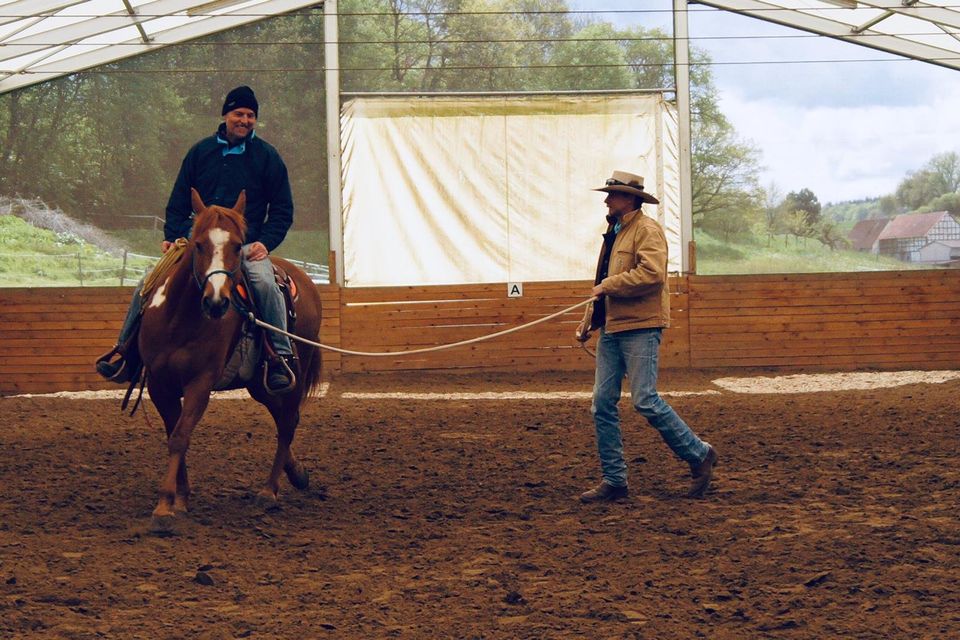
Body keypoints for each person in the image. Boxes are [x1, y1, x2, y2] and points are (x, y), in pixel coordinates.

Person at [96, 85, 297, 394]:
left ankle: (278, 357)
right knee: (148, 282)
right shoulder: (200, 152)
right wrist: (173, 236)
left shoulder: (267, 157)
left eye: (251, 115)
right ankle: (126, 352)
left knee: (266, 284)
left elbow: (282, 208)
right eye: (238, 113)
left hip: (242, 247)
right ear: (225, 115)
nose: (244, 120)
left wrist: (265, 243)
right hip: (199, 247)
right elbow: (178, 199)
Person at [576, 170, 718, 502]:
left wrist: (608, 287)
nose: (607, 199)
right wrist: (589, 322)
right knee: (602, 405)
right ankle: (615, 480)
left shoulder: (647, 231)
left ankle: (699, 454)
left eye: (612, 194)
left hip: (641, 325)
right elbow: (602, 281)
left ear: (629, 199)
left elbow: (651, 275)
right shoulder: (614, 233)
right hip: (613, 328)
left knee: (645, 400)